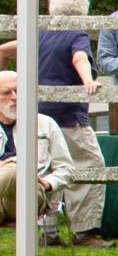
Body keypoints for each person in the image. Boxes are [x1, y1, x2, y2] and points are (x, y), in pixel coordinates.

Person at [0, 0, 112, 246]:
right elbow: (80, 57)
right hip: (68, 116)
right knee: (89, 167)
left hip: (35, 115)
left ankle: (48, 233)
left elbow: (3, 50)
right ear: (82, 12)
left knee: (44, 169)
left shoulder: (40, 34)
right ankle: (84, 233)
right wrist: (88, 81)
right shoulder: (76, 33)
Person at [0, 70, 75, 226]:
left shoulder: (45, 124)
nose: (14, 97)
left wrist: (47, 183)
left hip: (31, 196)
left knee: (17, 170)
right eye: (6, 92)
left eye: (18, 90)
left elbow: (67, 170)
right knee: (13, 169)